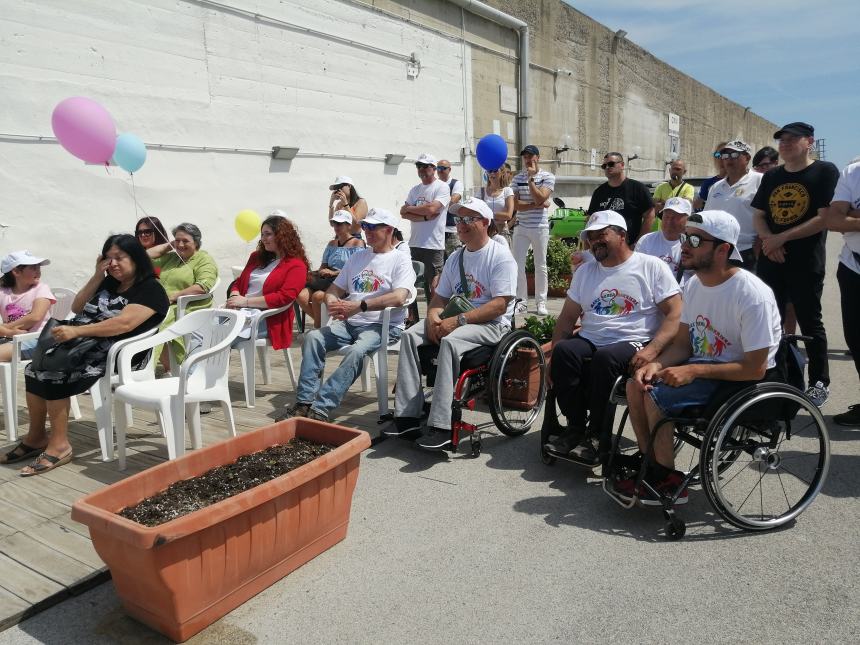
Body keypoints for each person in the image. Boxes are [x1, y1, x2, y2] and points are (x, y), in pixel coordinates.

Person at [618, 211, 782, 504]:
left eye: (695, 239)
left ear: (723, 250)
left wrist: (694, 371)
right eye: (684, 237)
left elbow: (756, 368)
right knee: (636, 385)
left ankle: (666, 479)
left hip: (739, 379)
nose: (685, 244)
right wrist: (656, 364)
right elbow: (683, 344)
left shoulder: (751, 294)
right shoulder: (694, 284)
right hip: (705, 368)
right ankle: (652, 466)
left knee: (657, 396)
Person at [2, 235, 168, 475]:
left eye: (119, 258)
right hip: (83, 344)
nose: (113, 264)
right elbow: (78, 307)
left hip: (118, 354)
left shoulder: (149, 289)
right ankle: (36, 437)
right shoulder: (108, 282)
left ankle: (60, 446)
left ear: (137, 258)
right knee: (33, 368)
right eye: (108, 259)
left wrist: (76, 330)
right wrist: (97, 276)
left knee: (52, 371)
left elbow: (123, 324)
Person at [543, 210, 682, 465]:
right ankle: (575, 428)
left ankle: (597, 436)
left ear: (622, 235)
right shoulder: (586, 272)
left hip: (634, 339)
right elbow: (566, 319)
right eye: (591, 237)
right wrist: (554, 352)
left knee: (605, 359)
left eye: (601, 234)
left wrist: (653, 350)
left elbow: (675, 313)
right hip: (592, 337)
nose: (595, 241)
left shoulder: (650, 266)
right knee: (565, 352)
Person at [387, 197, 517, 449]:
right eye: (459, 219)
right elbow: (439, 298)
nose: (462, 224)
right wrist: (433, 318)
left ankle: (441, 424)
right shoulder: (456, 257)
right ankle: (407, 415)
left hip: (491, 324)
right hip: (458, 318)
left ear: (486, 222)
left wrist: (457, 321)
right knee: (410, 335)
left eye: (470, 219)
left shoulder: (500, 256)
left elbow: (500, 305)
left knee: (449, 340)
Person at [278, 208, 415, 421]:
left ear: (388, 230)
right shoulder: (358, 257)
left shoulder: (400, 259)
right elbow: (334, 290)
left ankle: (321, 408)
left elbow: (399, 297)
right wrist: (333, 302)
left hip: (382, 325)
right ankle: (304, 402)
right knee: (313, 338)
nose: (366, 231)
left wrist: (360, 306)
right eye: (365, 226)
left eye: (373, 227)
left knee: (356, 351)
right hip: (350, 322)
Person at [752, 122, 839, 407]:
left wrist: (781, 239)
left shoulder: (824, 171)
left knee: (810, 321)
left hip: (804, 261)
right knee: (769, 320)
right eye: (782, 140)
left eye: (792, 139)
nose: (786, 144)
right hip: (771, 260)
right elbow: (759, 215)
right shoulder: (772, 176)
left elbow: (823, 217)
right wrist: (768, 241)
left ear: (809, 142)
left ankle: (818, 382)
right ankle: (776, 375)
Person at [227, 212, 308, 352]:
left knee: (219, 338)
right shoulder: (256, 257)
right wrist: (235, 295)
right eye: (262, 234)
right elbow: (239, 282)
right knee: (202, 333)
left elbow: (285, 297)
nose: (263, 238)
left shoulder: (296, 265)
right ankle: (200, 373)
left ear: (282, 236)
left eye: (268, 234)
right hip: (241, 313)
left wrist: (245, 302)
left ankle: (206, 372)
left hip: (269, 319)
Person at [147, 222, 218, 370]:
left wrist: (173, 297)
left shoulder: (203, 260)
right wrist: (168, 246)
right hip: (160, 303)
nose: (180, 244)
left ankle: (145, 368)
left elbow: (202, 286)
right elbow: (144, 258)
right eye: (177, 240)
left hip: (185, 307)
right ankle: (136, 365)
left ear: (196, 243)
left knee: (155, 322)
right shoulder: (173, 257)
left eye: (185, 241)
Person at [821, 161, 860, 427]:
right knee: (857, 340)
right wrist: (845, 216)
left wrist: (853, 216)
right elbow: (832, 220)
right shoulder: (853, 172)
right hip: (853, 265)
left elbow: (842, 217)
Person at [297, 210, 365, 329]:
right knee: (300, 295)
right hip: (327, 281)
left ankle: (318, 327)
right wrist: (323, 271)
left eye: (340, 223)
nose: (336, 226)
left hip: (344, 285)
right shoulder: (332, 243)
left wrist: (333, 272)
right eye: (334, 223)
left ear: (349, 225)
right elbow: (323, 264)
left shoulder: (358, 243)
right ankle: (323, 324)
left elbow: (357, 270)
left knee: (317, 296)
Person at [704, 140, 763, 270]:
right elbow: (707, 218)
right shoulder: (715, 187)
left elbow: (768, 215)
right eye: (725, 155)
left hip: (747, 252)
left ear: (747, 158)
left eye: (734, 155)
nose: (729, 159)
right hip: (718, 251)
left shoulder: (760, 180)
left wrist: (760, 243)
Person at [400, 154, 450, 304]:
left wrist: (412, 209)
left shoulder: (442, 187)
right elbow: (403, 213)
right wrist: (424, 217)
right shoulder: (415, 189)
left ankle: (434, 315)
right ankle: (412, 317)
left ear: (433, 168)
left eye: (425, 166)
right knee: (410, 283)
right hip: (415, 243)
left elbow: (433, 207)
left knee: (434, 284)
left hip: (433, 244)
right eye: (418, 166)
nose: (421, 169)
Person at [512, 144, 555, 316]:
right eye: (525, 157)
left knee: (540, 265)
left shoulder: (548, 176)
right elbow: (515, 205)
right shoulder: (516, 178)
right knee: (518, 265)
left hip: (539, 227)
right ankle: (521, 301)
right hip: (521, 227)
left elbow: (541, 197)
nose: (528, 160)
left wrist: (531, 181)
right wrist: (536, 204)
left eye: (531, 156)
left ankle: (541, 302)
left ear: (537, 158)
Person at [587, 152, 654, 245]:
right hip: (604, 248)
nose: (607, 167)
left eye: (611, 164)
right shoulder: (599, 192)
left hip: (629, 248)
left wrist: (638, 243)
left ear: (622, 165)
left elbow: (650, 215)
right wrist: (589, 245)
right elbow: (590, 219)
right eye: (604, 166)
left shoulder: (638, 188)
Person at [0, 251, 56, 361]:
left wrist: (4, 329)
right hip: (9, 337)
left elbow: (35, 317)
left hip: (37, 339)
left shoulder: (41, 288)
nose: (38, 271)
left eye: (38, 267)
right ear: (16, 271)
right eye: (33, 268)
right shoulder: (2, 292)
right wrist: (8, 332)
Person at [635, 196, 691, 283]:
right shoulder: (646, 240)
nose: (669, 221)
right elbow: (637, 271)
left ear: (687, 220)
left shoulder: (694, 245)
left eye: (675, 217)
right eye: (666, 216)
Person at [481, 166, 515, 247]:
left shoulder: (507, 191)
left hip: (501, 231)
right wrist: (499, 215)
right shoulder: (482, 192)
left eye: (495, 170)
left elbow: (508, 215)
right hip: (485, 232)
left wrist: (488, 214)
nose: (492, 173)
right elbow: (477, 212)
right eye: (490, 171)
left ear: (502, 172)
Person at [437, 159, 464, 256]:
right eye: (438, 168)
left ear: (449, 170)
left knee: (455, 260)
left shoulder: (456, 184)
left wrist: (434, 205)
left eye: (443, 168)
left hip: (451, 230)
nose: (440, 171)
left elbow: (453, 201)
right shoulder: (435, 185)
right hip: (436, 231)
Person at [693, 142, 728, 211]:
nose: (720, 158)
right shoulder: (708, 183)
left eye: (724, 155)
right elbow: (697, 206)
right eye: (718, 155)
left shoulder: (741, 181)